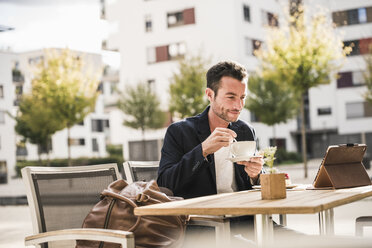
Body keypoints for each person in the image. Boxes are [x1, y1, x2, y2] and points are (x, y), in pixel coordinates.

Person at [157, 60, 263, 199]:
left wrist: (255, 175)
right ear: (210, 95)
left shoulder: (246, 131)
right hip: (202, 217)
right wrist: (203, 150)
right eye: (231, 97)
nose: (238, 105)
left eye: (242, 97)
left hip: (243, 214)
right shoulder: (179, 131)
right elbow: (165, 184)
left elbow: (257, 182)